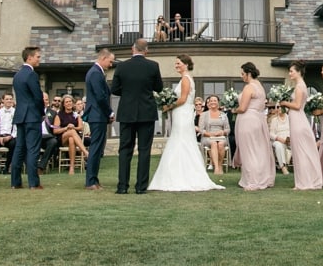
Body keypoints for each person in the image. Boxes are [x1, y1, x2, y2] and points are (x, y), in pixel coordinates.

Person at [148, 55, 222, 192]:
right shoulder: (185, 78)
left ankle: (184, 176)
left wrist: (168, 106)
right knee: (179, 140)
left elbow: (182, 99)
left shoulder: (186, 79)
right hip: (181, 113)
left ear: (186, 65)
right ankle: (178, 173)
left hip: (183, 113)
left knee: (182, 141)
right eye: (175, 64)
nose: (176, 66)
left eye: (178, 63)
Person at [111, 38, 163, 194]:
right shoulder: (153, 66)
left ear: (132, 49)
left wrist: (127, 93)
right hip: (146, 111)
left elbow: (114, 89)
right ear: (146, 51)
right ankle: (141, 187)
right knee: (144, 150)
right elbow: (159, 88)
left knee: (125, 149)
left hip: (126, 112)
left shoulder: (121, 66)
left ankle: (122, 187)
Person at [231, 62, 274, 191]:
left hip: (248, 120)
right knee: (258, 150)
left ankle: (253, 181)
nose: (242, 76)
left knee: (249, 150)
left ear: (249, 74)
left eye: (243, 74)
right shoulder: (260, 86)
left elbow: (243, 108)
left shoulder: (249, 87)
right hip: (258, 120)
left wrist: (233, 110)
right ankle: (262, 178)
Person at [10, 46, 46, 190]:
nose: (39, 59)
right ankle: (33, 182)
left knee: (19, 148)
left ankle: (15, 182)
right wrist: (41, 112)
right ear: (29, 57)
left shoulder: (17, 75)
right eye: (37, 57)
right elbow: (37, 96)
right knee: (32, 149)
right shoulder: (31, 75)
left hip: (20, 116)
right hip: (31, 116)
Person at [285, 62, 322, 191]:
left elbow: (297, 106)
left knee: (301, 150)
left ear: (299, 72)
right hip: (296, 119)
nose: (290, 73)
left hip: (298, 119)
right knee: (299, 150)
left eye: (291, 71)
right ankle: (302, 181)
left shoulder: (300, 86)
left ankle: (304, 182)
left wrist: (284, 102)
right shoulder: (299, 86)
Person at [82, 48, 115, 189]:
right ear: (103, 58)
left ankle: (94, 179)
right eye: (110, 61)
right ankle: (91, 180)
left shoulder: (97, 73)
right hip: (97, 115)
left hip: (97, 115)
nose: (111, 64)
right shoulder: (95, 73)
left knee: (98, 147)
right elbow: (100, 96)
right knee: (96, 148)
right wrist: (110, 113)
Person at [53, 94, 87, 175]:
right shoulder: (59, 115)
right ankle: (85, 152)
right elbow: (55, 131)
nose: (69, 103)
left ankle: (71, 168)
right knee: (71, 132)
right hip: (62, 138)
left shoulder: (76, 115)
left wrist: (73, 127)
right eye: (67, 102)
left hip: (73, 139)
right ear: (63, 104)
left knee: (71, 138)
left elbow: (81, 128)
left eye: (70, 101)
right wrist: (66, 128)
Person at [199, 94, 231, 174]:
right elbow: (201, 130)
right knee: (213, 143)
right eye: (211, 101)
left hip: (221, 136)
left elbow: (228, 129)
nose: (213, 102)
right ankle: (216, 167)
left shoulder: (223, 115)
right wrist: (210, 134)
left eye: (215, 100)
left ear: (218, 103)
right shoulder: (204, 115)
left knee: (220, 144)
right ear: (208, 103)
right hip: (208, 137)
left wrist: (222, 132)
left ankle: (220, 166)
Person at [268, 105, 291, 172]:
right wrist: (279, 139)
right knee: (278, 145)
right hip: (278, 140)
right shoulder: (274, 120)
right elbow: (271, 134)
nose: (279, 109)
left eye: (281, 107)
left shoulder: (290, 118)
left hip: (290, 139)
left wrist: (290, 139)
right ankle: (283, 167)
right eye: (278, 107)